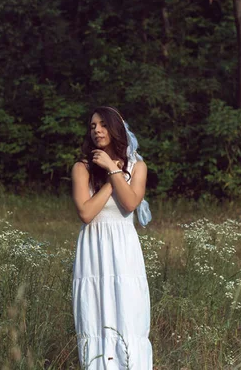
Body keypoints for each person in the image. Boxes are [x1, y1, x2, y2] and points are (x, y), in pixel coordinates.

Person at [71, 106, 153, 369]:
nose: (96, 130)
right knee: (94, 312)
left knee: (128, 311)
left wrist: (115, 169)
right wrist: (109, 177)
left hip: (124, 248)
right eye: (92, 126)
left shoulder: (137, 166)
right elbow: (86, 213)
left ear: (116, 128)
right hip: (93, 248)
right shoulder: (82, 167)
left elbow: (129, 203)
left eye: (103, 125)